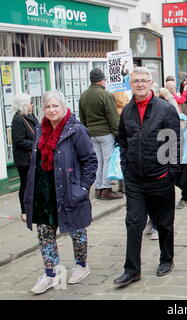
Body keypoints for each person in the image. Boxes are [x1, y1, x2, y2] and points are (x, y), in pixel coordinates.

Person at [24, 90, 97, 294]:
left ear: (63, 107)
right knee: (45, 234)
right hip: (45, 191)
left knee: (76, 230)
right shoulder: (40, 130)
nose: (51, 110)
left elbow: (90, 161)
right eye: (47, 106)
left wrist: (82, 188)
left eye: (55, 106)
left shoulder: (76, 130)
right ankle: (51, 273)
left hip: (69, 189)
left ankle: (81, 265)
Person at [114, 67, 180, 287]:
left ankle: (166, 259)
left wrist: (171, 173)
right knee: (133, 223)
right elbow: (122, 141)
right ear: (130, 84)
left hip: (160, 176)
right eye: (135, 81)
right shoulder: (127, 110)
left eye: (144, 80)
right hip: (135, 179)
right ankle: (132, 270)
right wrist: (125, 168)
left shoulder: (165, 109)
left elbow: (174, 143)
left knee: (164, 223)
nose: (140, 84)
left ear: (152, 83)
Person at [79, 68, 122, 200]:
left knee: (97, 162)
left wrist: (87, 131)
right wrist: (118, 134)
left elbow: (82, 117)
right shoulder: (105, 95)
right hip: (106, 133)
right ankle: (106, 189)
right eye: (104, 80)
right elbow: (112, 117)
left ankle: (97, 188)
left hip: (91, 133)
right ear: (101, 81)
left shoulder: (84, 95)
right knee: (108, 160)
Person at [11, 93, 39, 223]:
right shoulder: (18, 120)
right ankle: (24, 211)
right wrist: (36, 145)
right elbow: (19, 140)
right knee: (26, 185)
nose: (32, 104)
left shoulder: (31, 116)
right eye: (29, 102)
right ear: (23, 105)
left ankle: (34, 207)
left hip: (33, 156)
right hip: (24, 159)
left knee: (34, 184)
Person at [175, 113, 187, 209]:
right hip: (176, 160)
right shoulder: (173, 132)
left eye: (182, 121)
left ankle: (184, 198)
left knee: (182, 181)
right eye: (178, 121)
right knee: (176, 181)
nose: (180, 123)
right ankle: (186, 194)